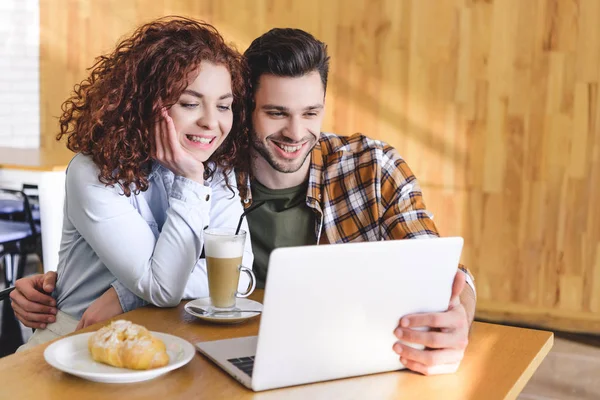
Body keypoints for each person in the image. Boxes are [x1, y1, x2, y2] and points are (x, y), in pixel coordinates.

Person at [14, 27, 475, 375]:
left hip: (326, 352)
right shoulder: (214, 163)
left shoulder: (369, 167)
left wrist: (460, 312)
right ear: (248, 108)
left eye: (310, 112)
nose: (296, 133)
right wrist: (95, 285)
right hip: (176, 351)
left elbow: (439, 267)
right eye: (276, 113)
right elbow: (164, 275)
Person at [10, 16, 253, 349]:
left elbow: (237, 277)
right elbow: (162, 289)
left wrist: (125, 296)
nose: (211, 121)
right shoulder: (92, 172)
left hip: (163, 338)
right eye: (189, 103)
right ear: (145, 103)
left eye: (224, 106)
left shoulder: (217, 169)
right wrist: (191, 182)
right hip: (76, 336)